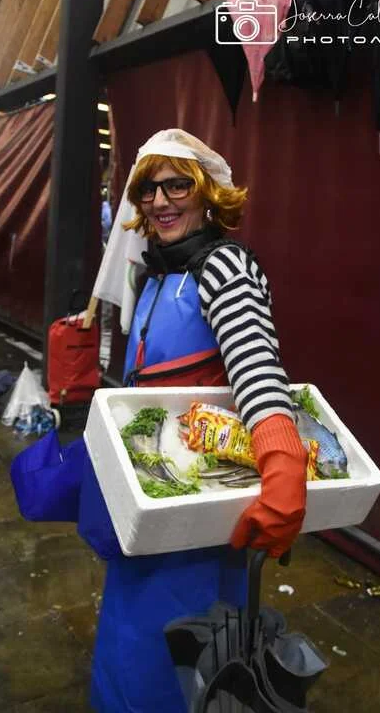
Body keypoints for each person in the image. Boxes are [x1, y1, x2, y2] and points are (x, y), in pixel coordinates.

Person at [76, 129, 308, 713]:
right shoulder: (155, 273)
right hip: (149, 502)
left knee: (181, 661)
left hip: (199, 526)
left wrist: (283, 464)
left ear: (207, 194)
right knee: (130, 648)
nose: (160, 201)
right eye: (148, 189)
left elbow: (256, 366)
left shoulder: (223, 267)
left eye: (177, 185)